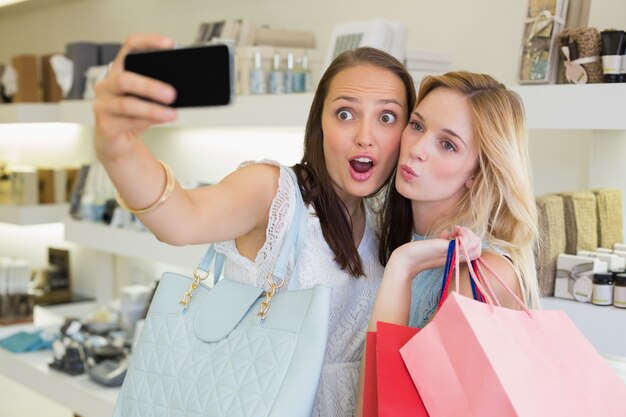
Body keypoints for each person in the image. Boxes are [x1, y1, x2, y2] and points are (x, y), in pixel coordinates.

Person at [93, 33, 416, 417]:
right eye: (345, 113)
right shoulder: (274, 191)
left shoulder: (384, 222)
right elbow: (181, 219)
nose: (365, 137)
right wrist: (118, 148)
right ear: (320, 122)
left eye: (387, 117)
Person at [355, 71, 540, 416]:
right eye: (417, 126)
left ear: (476, 174)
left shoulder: (481, 276)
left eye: (448, 144)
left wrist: (404, 267)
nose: (417, 149)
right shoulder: (380, 229)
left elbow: (381, 409)